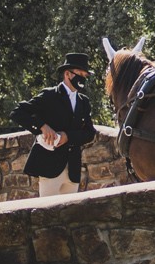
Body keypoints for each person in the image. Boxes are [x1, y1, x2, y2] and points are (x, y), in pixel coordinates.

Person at [9, 51, 98, 197]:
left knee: (69, 216)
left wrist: (68, 136)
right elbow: (18, 113)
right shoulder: (49, 95)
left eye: (85, 75)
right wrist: (42, 126)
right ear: (67, 74)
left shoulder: (84, 102)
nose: (83, 78)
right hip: (49, 168)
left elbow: (90, 133)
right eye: (79, 73)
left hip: (73, 171)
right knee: (47, 215)